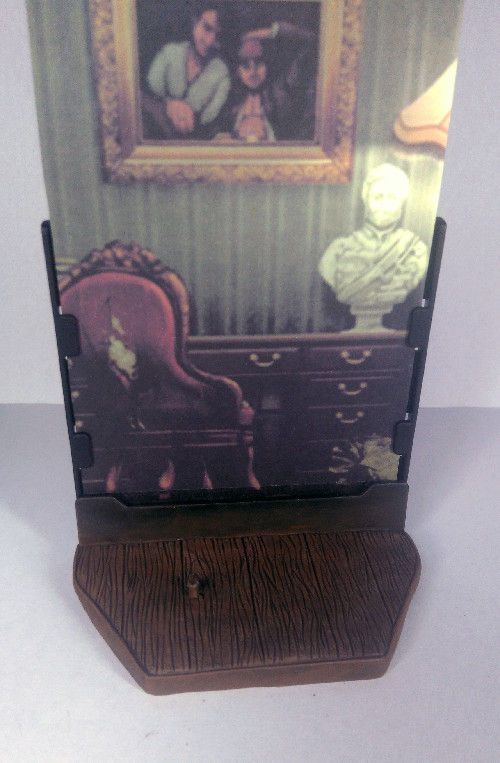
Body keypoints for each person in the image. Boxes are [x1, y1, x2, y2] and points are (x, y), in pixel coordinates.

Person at [318, 164, 428, 332]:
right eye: (377, 197)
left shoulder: (415, 250)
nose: (384, 205)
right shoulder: (338, 250)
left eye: (392, 198)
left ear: (402, 202)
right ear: (365, 198)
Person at [143, 2, 230, 139]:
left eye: (218, 35)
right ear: (195, 22)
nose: (210, 40)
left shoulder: (222, 73)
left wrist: (191, 118)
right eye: (207, 28)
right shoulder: (170, 52)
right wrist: (168, 105)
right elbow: (149, 90)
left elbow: (210, 117)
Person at [218, 21, 316, 143]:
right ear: (238, 70)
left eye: (258, 62)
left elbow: (311, 42)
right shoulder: (228, 101)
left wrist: (264, 33)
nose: (253, 71)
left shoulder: (281, 93)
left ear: (268, 63)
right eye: (245, 65)